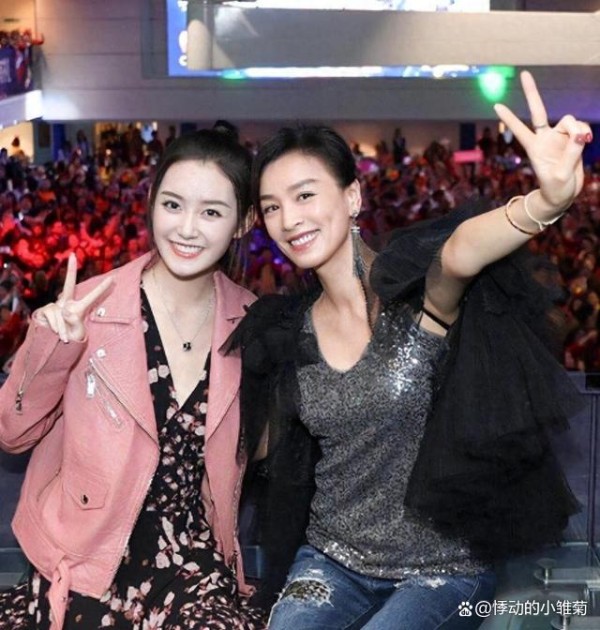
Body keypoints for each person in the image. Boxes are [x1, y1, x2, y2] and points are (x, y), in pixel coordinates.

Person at [231, 71, 592, 629]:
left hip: (444, 569)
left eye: (304, 195)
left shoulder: (411, 291)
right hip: (332, 559)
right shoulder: (287, 332)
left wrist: (547, 201)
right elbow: (253, 450)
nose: (289, 218)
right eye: (272, 206)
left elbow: (459, 252)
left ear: (352, 196)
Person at [0, 129, 266, 629]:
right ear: (150, 202)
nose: (187, 228)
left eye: (211, 212)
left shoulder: (253, 323)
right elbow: (11, 435)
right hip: (86, 552)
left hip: (189, 557)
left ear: (243, 222)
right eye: (173, 205)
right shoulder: (89, 309)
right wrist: (52, 347)